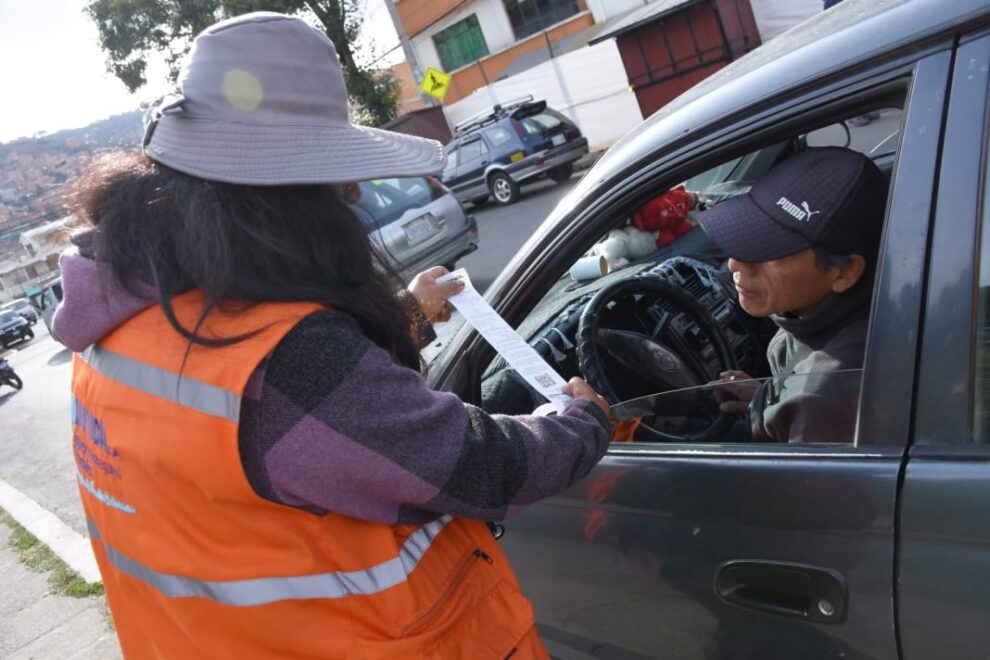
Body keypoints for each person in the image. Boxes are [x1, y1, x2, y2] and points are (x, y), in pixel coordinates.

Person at [56, 12, 611, 659]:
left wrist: (408, 310)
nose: (351, 193)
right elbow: (480, 466)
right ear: (276, 201)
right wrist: (581, 421)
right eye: (331, 176)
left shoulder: (119, 332)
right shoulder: (287, 368)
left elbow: (294, 422)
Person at [695, 146, 887, 442]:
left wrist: (789, 406)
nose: (735, 263)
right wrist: (768, 400)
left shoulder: (823, 396)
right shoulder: (847, 317)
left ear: (844, 272)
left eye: (770, 250)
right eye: (750, 235)